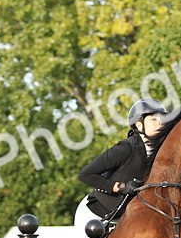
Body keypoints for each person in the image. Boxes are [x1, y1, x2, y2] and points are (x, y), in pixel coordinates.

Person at [74, 98, 172, 230]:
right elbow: (86, 174)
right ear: (139, 125)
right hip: (96, 215)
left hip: (130, 218)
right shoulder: (125, 148)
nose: (160, 123)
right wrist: (121, 187)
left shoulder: (162, 151)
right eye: (153, 119)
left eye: (162, 119)